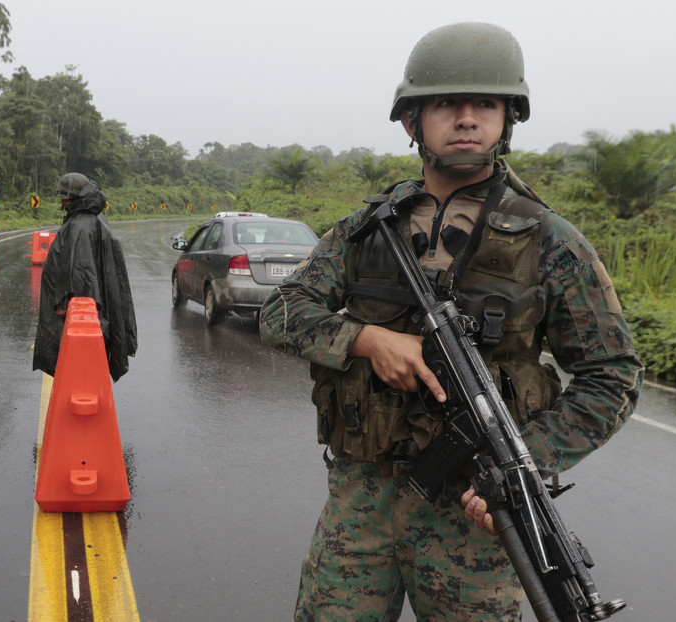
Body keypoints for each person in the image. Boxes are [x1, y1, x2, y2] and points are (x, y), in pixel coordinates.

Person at [259, 22, 643, 621]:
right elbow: (281, 312)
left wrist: (526, 462)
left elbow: (613, 375)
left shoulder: (550, 240)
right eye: (445, 104)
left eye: (484, 104)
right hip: (361, 503)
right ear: (413, 122)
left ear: (506, 119)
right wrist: (364, 338)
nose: (466, 118)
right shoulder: (366, 230)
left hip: (477, 515)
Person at [33, 173, 137, 381]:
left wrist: (66, 305)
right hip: (93, 320)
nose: (62, 203)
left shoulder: (79, 227)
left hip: (82, 324)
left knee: (78, 375)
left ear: (71, 198)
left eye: (64, 198)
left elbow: (81, 278)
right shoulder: (96, 221)